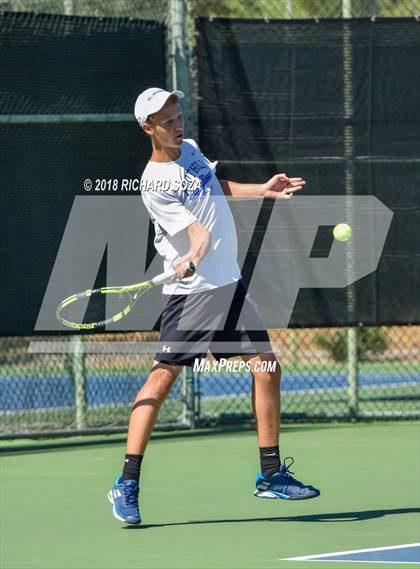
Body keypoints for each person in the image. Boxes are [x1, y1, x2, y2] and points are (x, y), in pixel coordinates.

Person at [108, 87, 320, 524]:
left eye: (179, 114)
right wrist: (191, 257)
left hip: (228, 285)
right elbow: (198, 234)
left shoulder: (190, 149)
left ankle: (270, 475)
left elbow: (214, 187)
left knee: (267, 365)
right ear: (148, 129)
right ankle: (126, 483)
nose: (178, 124)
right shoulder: (154, 183)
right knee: (162, 380)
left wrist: (262, 189)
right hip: (193, 295)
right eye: (167, 121)